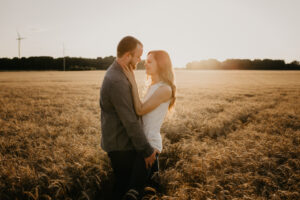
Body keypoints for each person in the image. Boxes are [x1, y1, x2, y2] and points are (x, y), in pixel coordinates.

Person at [99, 36, 158, 200]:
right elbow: (130, 120)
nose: (140, 60)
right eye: (138, 56)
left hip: (122, 144)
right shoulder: (117, 80)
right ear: (127, 56)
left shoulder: (122, 72)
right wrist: (147, 150)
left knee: (126, 189)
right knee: (125, 190)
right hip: (121, 148)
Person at [122, 50, 176, 199]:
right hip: (141, 144)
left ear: (161, 64)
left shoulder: (165, 89)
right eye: (146, 60)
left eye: (150, 61)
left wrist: (131, 79)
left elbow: (139, 110)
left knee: (133, 193)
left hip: (149, 146)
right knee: (150, 192)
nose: (146, 63)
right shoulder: (151, 86)